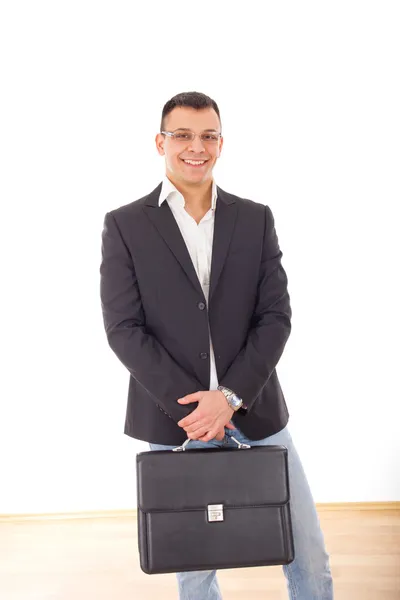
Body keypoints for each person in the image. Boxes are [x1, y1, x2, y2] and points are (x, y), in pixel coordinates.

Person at [100, 91, 334, 599]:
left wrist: (227, 397)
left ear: (221, 144)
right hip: (175, 421)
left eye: (208, 136)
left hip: (255, 413)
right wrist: (197, 407)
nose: (195, 147)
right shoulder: (125, 224)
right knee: (195, 569)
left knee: (309, 556)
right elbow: (123, 327)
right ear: (160, 142)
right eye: (182, 135)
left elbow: (276, 317)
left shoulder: (255, 218)